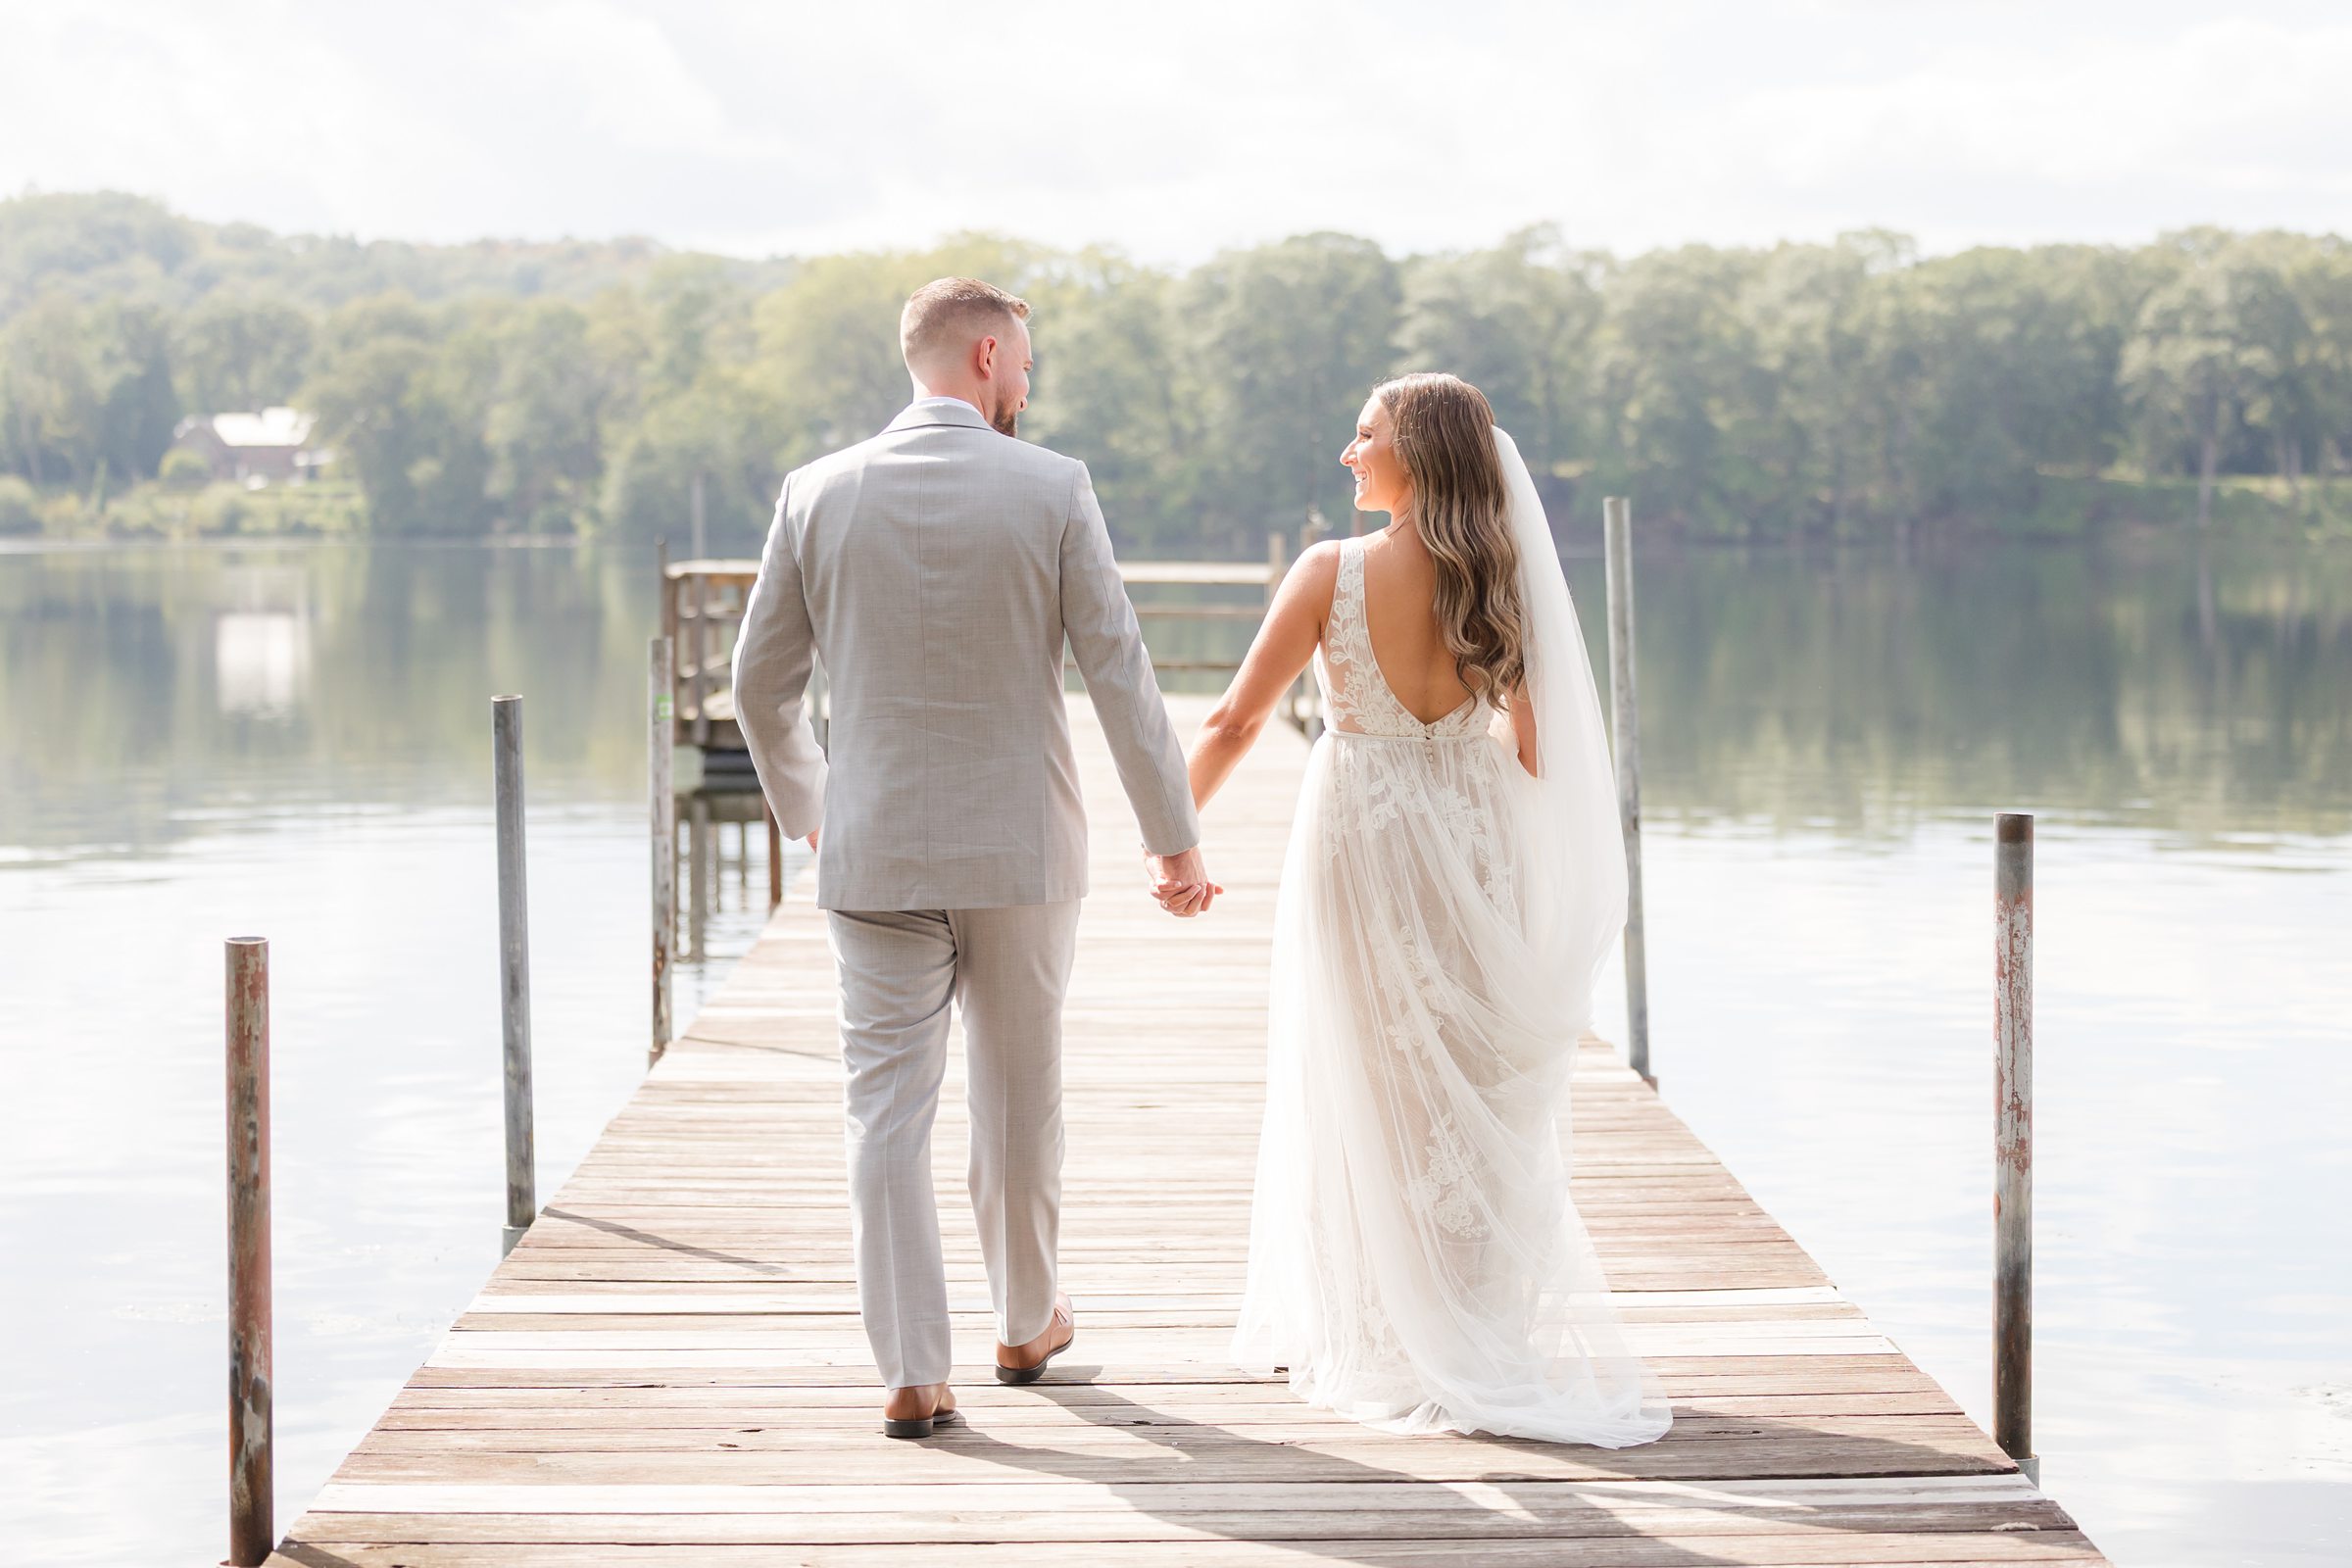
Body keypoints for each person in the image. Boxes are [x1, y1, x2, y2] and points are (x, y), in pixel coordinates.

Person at [732, 277, 1216, 1439]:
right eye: (1029, 366)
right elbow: (1118, 672)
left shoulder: (816, 490)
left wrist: (813, 800)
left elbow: (758, 684)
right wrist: (1175, 841)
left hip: (874, 849)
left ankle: (909, 1369)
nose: (1029, 385)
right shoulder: (1052, 487)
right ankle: (1022, 1319)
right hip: (1021, 851)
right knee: (1018, 1096)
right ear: (988, 355)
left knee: (885, 1113)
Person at [1185, 372, 1672, 1445]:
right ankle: (1469, 1323)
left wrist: (1169, 836)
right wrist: (1459, 763)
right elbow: (1538, 751)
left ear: (1419, 457)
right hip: (1472, 835)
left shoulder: (1328, 574)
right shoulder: (1498, 582)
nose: (1349, 453)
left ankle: (1383, 1328)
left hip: (1358, 835)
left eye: (1366, 437)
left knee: (1364, 1072)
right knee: (1462, 1082)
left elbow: (1232, 720)